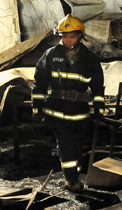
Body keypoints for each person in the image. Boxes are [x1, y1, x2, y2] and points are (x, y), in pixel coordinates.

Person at [31, 14, 105, 192]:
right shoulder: (50, 55)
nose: (67, 40)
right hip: (57, 111)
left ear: (80, 36)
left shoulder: (90, 59)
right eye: (64, 36)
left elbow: (97, 87)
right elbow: (39, 83)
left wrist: (99, 108)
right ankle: (71, 180)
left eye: (71, 36)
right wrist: (37, 108)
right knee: (65, 145)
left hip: (79, 112)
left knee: (77, 146)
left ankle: (74, 176)